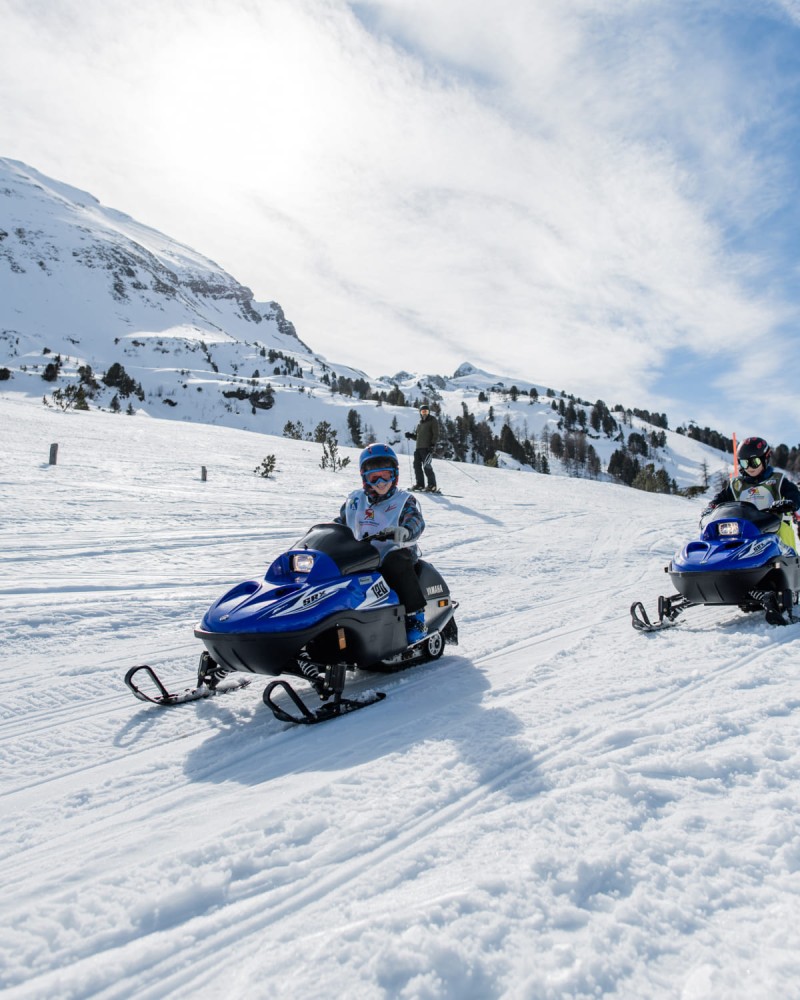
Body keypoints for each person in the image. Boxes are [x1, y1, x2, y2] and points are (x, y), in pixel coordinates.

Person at [334, 443, 428, 644]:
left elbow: (416, 520)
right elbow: (340, 524)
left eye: (386, 475)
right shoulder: (355, 500)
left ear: (395, 475)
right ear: (364, 478)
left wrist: (405, 530)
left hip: (395, 552)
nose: (381, 482)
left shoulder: (403, 500)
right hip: (361, 556)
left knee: (395, 562)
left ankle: (415, 616)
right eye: (374, 477)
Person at [703, 436, 800, 549]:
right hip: (746, 533)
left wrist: (791, 502)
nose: (749, 467)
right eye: (744, 463)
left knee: (783, 531)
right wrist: (712, 506)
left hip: (775, 530)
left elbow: (793, 493)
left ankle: (789, 561)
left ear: (765, 459)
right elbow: (721, 498)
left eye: (754, 462)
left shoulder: (777, 480)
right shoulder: (737, 485)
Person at [405, 402, 440, 493]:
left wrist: (432, 445)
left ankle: (432, 485)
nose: (424, 413)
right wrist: (410, 435)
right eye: (423, 412)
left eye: (426, 411)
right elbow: (417, 437)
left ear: (428, 412)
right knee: (416, 466)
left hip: (427, 448)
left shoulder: (432, 420)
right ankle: (420, 484)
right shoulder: (420, 423)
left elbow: (435, 434)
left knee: (426, 466)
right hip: (419, 448)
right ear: (420, 413)